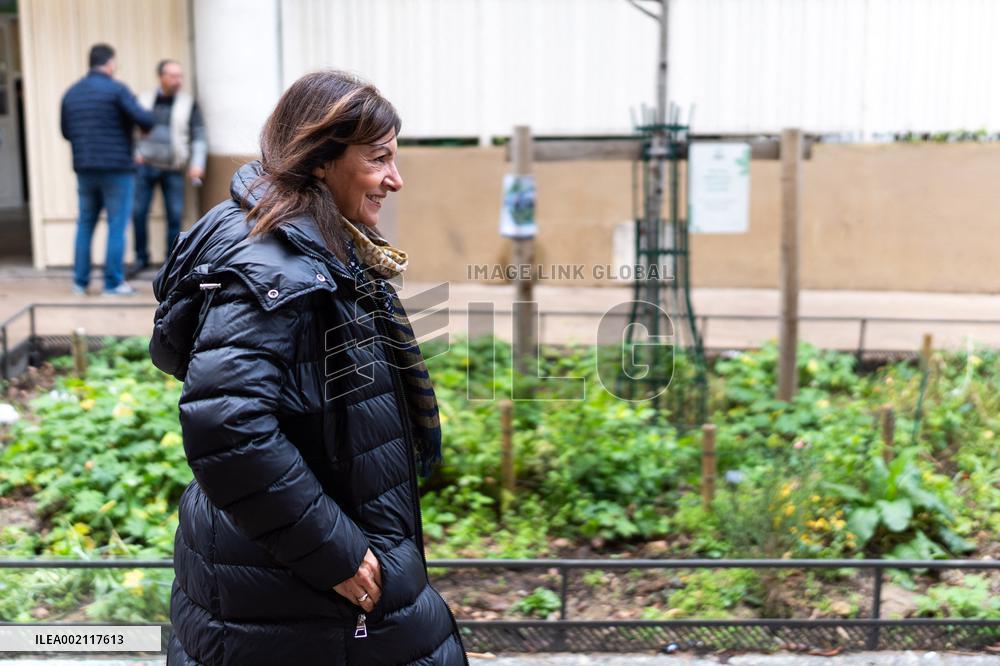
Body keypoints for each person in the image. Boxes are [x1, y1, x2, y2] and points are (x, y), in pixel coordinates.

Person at [149, 70, 468, 665]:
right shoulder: (276, 265)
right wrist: (336, 554)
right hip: (297, 596)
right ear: (320, 162)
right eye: (379, 160)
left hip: (284, 586)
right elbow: (226, 423)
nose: (396, 180)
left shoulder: (318, 246)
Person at [60, 43, 154, 296]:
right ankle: (112, 283)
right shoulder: (117, 89)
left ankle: (80, 282)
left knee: (85, 223)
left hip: (85, 168)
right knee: (116, 224)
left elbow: (66, 132)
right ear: (111, 63)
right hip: (117, 169)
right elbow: (145, 120)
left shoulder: (72, 93)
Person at [129, 59, 207, 278]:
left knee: (174, 215)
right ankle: (140, 258)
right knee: (138, 213)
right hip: (144, 167)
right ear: (161, 77)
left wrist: (197, 164)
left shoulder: (188, 103)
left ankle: (170, 263)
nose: (178, 81)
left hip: (173, 168)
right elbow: (128, 130)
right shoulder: (142, 99)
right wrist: (135, 155)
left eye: (180, 76)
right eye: (173, 76)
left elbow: (199, 135)